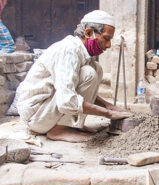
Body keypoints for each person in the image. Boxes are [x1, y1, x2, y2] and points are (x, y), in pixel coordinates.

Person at [16, 10, 131, 143]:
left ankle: (72, 125)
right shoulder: (68, 51)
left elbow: (75, 88)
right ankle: (59, 129)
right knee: (89, 73)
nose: (108, 45)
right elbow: (66, 100)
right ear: (88, 33)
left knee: (96, 69)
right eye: (106, 38)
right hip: (36, 116)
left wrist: (109, 106)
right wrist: (109, 114)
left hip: (47, 110)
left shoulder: (83, 53)